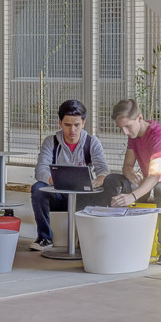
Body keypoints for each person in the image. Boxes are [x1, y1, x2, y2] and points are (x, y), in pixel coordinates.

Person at [109, 97, 161, 264]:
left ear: (140, 118)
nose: (125, 132)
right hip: (152, 186)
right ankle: (113, 239)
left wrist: (132, 196)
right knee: (113, 181)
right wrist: (129, 173)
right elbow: (127, 166)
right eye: (121, 128)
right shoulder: (133, 135)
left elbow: (155, 175)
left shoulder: (158, 136)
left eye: (128, 126)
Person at [29, 99, 110, 252]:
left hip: (82, 195)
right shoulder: (51, 142)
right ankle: (44, 237)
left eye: (76, 125)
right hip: (58, 193)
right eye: (67, 125)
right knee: (38, 189)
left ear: (83, 123)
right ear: (60, 123)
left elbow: (103, 170)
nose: (72, 130)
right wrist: (57, 181)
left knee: (103, 191)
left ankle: (87, 239)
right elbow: (40, 170)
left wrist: (98, 180)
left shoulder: (92, 143)